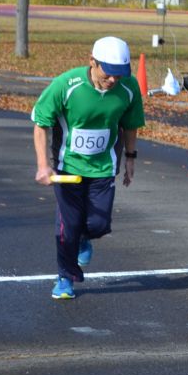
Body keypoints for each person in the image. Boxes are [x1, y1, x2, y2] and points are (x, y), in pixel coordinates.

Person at [31, 36, 145, 300]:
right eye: (108, 72)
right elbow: (41, 123)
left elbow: (131, 125)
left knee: (98, 224)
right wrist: (43, 165)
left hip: (103, 167)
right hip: (67, 167)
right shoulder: (66, 85)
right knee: (67, 227)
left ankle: (84, 238)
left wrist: (130, 158)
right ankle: (65, 278)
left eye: (120, 73)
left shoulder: (128, 87)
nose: (114, 79)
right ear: (92, 61)